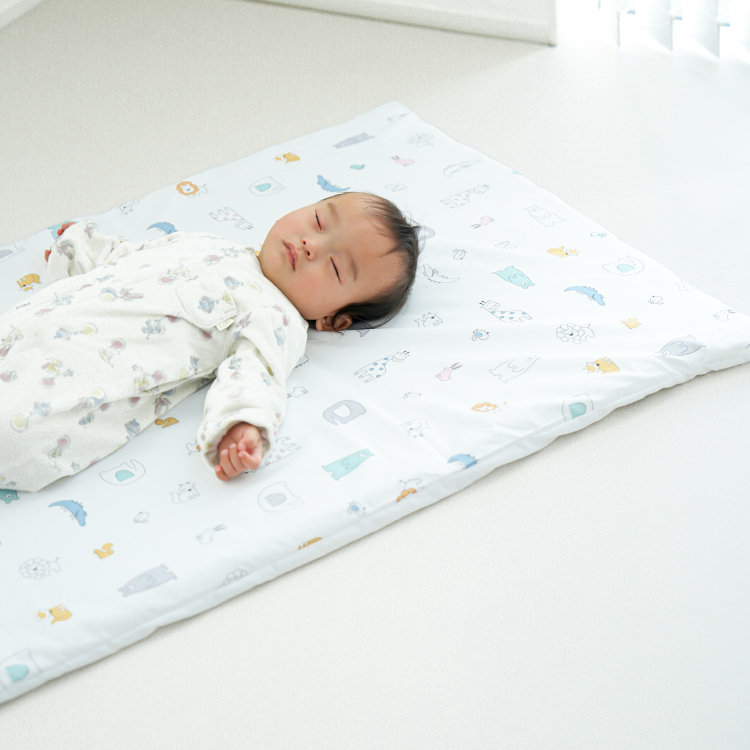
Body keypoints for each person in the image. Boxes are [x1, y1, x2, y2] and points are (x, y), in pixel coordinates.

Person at [0, 191, 421, 493]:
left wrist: (242, 424)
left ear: (332, 320)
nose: (312, 244)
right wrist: (78, 249)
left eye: (334, 265)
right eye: (319, 221)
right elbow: (129, 258)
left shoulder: (275, 317)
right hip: (29, 328)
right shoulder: (209, 243)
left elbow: (256, 375)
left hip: (59, 392)